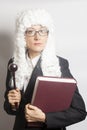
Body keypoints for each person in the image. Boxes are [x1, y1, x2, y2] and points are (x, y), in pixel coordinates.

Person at [4, 9, 87, 130]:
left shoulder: (60, 64)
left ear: (48, 35)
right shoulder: (14, 63)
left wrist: (44, 117)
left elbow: (80, 111)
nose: (37, 37)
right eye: (31, 31)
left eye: (42, 31)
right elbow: (9, 109)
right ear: (23, 36)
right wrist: (12, 104)